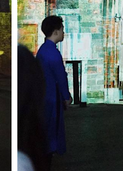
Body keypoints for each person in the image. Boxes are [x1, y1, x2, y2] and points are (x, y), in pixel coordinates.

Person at [35, 15, 72, 165]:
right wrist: (66, 96)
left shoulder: (43, 50)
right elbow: (60, 77)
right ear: (56, 31)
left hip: (45, 97)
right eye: (62, 29)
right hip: (52, 98)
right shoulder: (52, 53)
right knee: (51, 133)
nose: (63, 33)